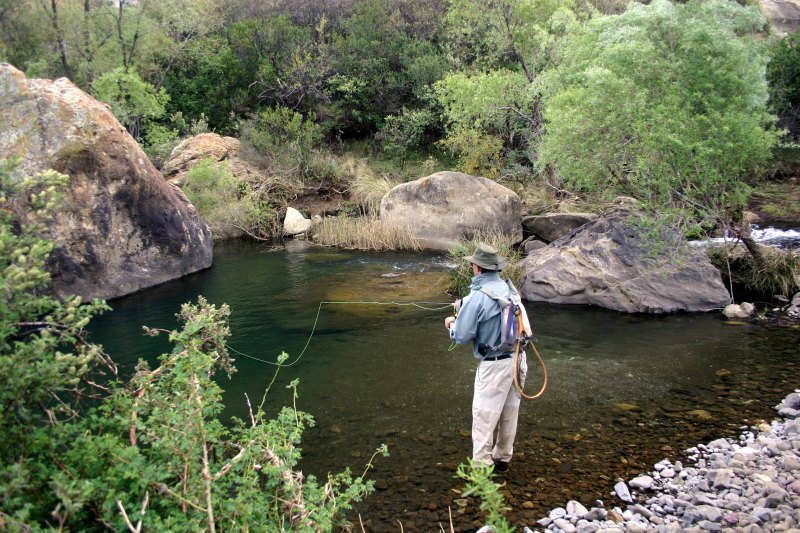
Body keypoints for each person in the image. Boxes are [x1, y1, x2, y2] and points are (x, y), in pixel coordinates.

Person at [444, 242, 527, 473]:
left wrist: (451, 323)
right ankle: (502, 460)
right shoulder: (510, 289)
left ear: (477, 268)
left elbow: (460, 337)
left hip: (495, 365)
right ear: (496, 268)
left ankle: (482, 468)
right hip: (519, 359)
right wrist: (463, 304)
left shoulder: (477, 297)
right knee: (509, 412)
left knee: (484, 416)